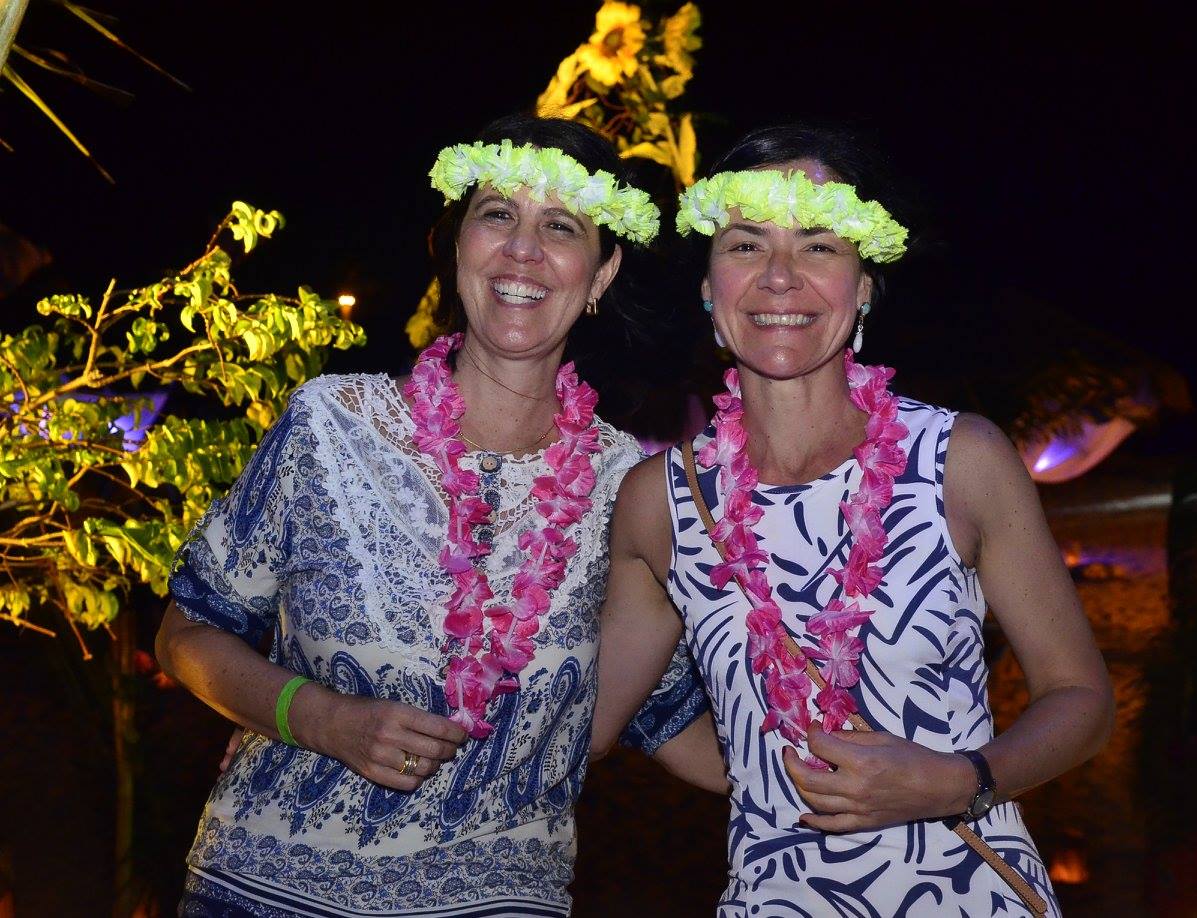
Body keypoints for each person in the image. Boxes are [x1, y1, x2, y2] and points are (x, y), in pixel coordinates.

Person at [156, 113, 721, 917]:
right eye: (497, 215)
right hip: (261, 893)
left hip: (498, 899)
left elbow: (668, 719)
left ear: (602, 274)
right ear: (459, 246)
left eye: (560, 226)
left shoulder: (630, 488)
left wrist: (893, 787)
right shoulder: (331, 424)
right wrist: (322, 719)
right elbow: (187, 633)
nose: (522, 249)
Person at [594, 125, 1115, 916]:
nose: (779, 276)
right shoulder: (658, 500)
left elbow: (1080, 698)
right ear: (708, 284)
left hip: (970, 897)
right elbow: (588, 715)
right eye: (746, 245)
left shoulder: (959, 459)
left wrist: (959, 780)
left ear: (864, 285)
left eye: (818, 245)